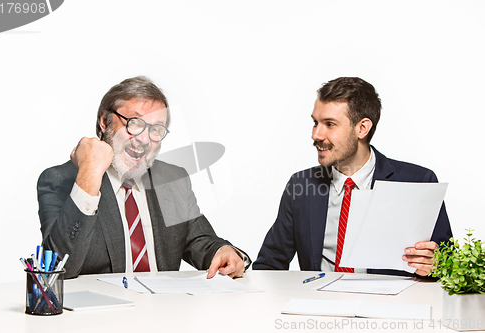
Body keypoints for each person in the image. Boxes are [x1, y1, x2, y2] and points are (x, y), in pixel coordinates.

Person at [38, 76, 250, 279]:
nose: (144, 139)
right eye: (135, 123)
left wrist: (224, 251)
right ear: (105, 121)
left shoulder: (172, 179)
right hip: (101, 314)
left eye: (156, 129)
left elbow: (200, 241)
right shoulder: (60, 179)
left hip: (164, 311)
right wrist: (89, 174)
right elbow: (59, 269)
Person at [253, 77, 452, 277]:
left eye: (329, 124)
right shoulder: (301, 185)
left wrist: (436, 265)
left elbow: (449, 263)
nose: (316, 134)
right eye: (315, 123)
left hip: (389, 305)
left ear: (362, 128)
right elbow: (269, 265)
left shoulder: (417, 181)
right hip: (319, 304)